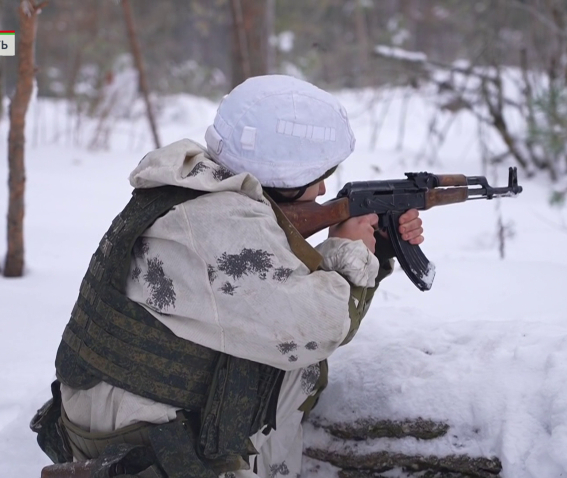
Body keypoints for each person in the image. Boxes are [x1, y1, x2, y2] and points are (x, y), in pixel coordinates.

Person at [32, 74, 425, 478]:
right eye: (317, 176)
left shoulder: (190, 189)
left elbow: (269, 292)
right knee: (300, 361)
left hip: (113, 415)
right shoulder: (220, 224)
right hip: (142, 447)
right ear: (285, 177)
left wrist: (377, 247)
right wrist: (351, 251)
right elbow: (318, 328)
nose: (324, 187)